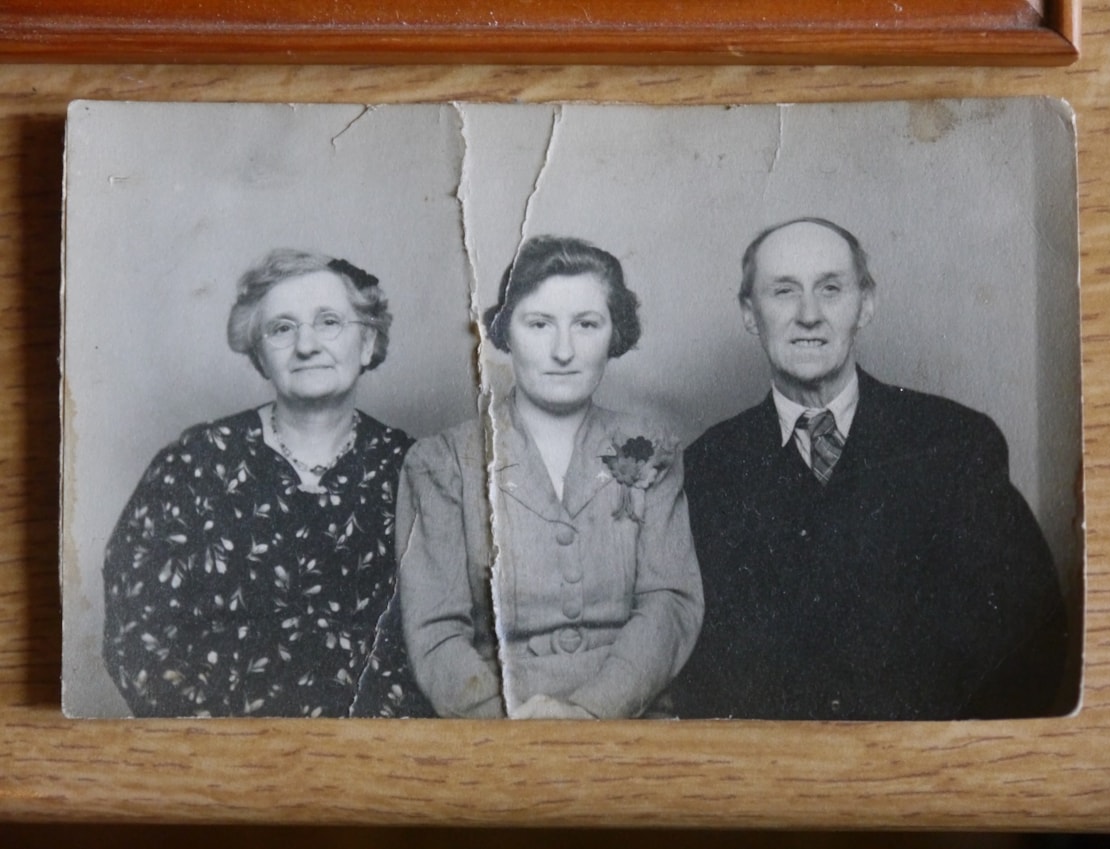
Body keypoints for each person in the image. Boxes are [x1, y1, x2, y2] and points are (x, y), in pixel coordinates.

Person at [674, 217, 1069, 721]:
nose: (809, 315)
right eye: (784, 292)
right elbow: (696, 664)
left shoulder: (954, 444)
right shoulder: (709, 466)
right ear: (750, 314)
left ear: (866, 305)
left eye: (831, 289)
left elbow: (1031, 638)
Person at [397, 235, 704, 719]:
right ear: (505, 332)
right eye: (539, 324)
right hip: (498, 736)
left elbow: (669, 607)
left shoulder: (653, 450)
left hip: (633, 724)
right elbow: (434, 634)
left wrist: (591, 712)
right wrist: (509, 726)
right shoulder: (441, 463)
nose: (564, 350)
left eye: (586, 324)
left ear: (615, 333)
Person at [102, 249, 418, 718]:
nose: (306, 345)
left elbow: (441, 637)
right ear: (260, 357)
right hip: (221, 753)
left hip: (377, 752)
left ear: (368, 343)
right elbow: (138, 633)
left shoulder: (415, 469)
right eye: (282, 328)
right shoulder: (194, 465)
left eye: (328, 321)